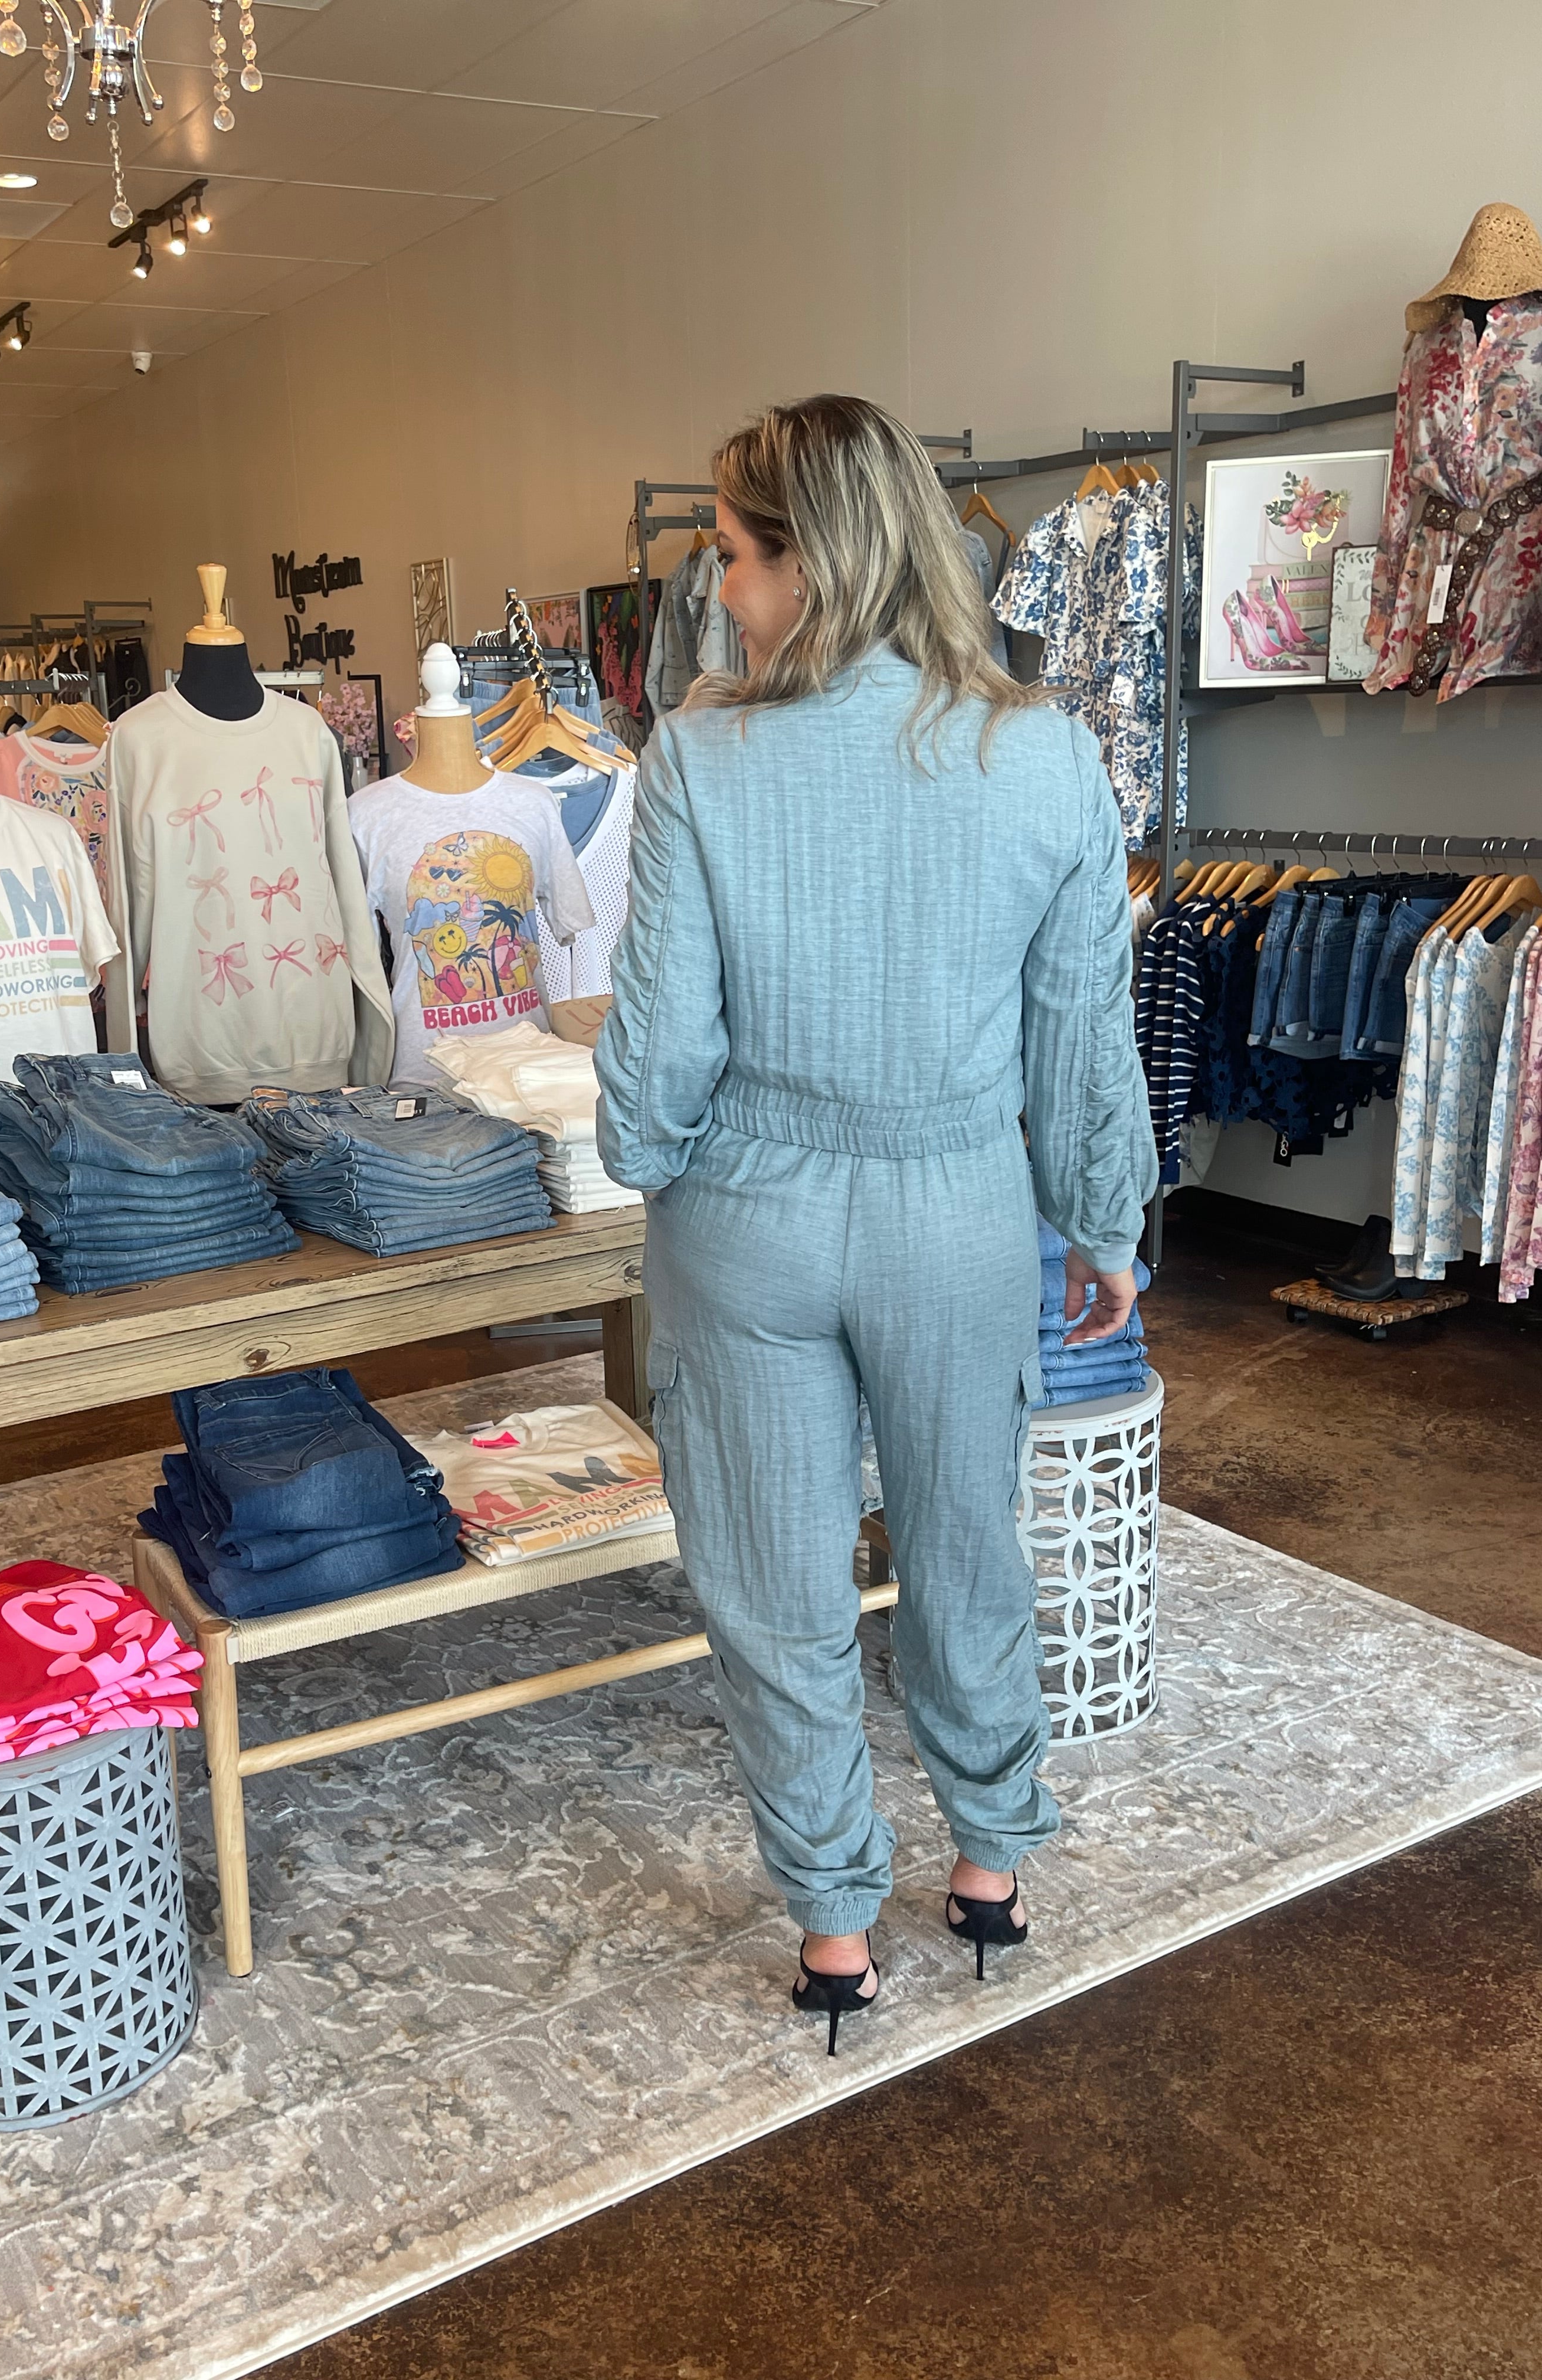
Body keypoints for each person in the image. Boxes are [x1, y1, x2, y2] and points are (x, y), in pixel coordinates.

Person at [595, 395, 1155, 2052]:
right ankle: (990, 1866)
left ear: (811, 560)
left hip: (745, 1222)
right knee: (967, 1546)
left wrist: (656, 1153)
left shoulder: (698, 755)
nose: (722, 588)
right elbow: (1081, 1033)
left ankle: (836, 1929)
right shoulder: (1044, 751)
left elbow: (658, 1067)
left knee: (774, 1590)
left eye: (735, 554)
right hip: (959, 1213)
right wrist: (1103, 1223)